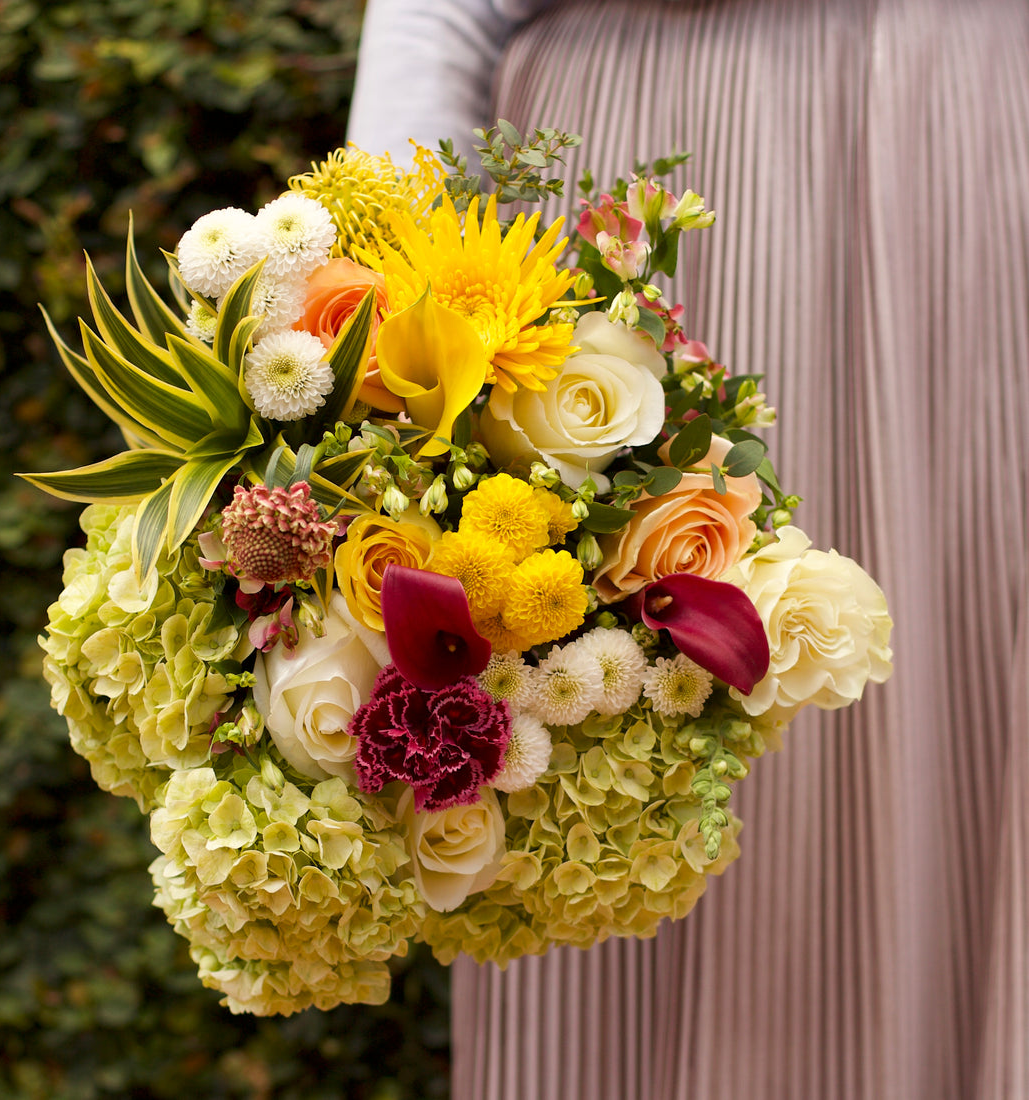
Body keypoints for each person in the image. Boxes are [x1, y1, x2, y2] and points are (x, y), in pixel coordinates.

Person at [348, 2, 1029, 1097]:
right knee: (621, 722)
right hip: (649, 173)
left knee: (945, 696)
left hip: (964, 176)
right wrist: (381, 310)